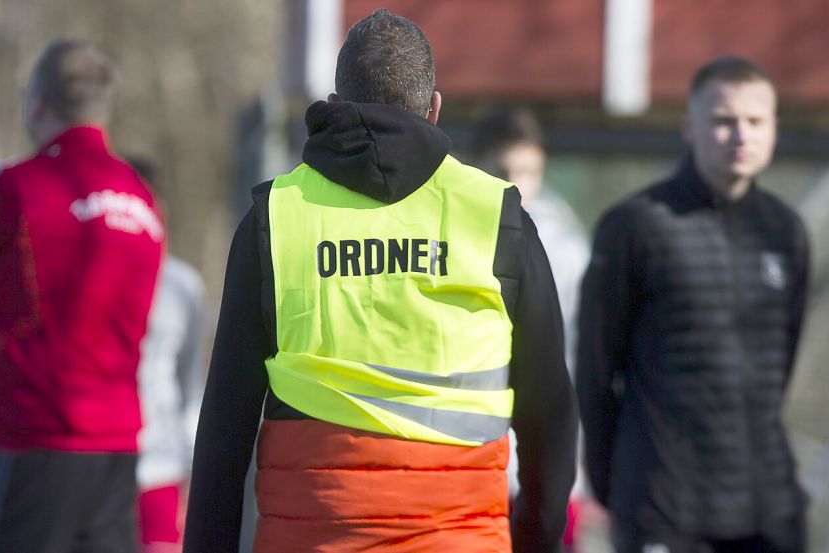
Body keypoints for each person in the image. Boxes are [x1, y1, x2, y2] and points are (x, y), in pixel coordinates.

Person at [184, 9, 577, 553]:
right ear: (434, 106)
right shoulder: (496, 215)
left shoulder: (275, 217)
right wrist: (535, 540)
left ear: (338, 103)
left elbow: (224, 430)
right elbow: (550, 414)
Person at [0, 39, 164, 553]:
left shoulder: (22, 186)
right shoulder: (140, 197)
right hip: (115, 444)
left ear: (38, 103)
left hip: (32, 434)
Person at [576, 55, 809, 553]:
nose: (741, 136)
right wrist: (615, 488)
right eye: (724, 121)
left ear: (774, 129)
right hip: (664, 510)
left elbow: (779, 364)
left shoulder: (786, 232)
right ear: (690, 128)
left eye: (755, 121)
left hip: (770, 511)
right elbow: (596, 374)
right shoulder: (634, 226)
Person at [470, 105, 592, 550]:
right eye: (503, 169)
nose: (517, 184)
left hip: (546, 455)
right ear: (476, 166)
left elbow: (578, 350)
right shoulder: (451, 235)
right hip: (473, 454)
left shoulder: (564, 242)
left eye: (528, 170)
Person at [128, 157, 206, 553]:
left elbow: (189, 383)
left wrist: (193, 464)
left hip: (162, 465)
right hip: (99, 461)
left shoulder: (182, 285)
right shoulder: (85, 274)